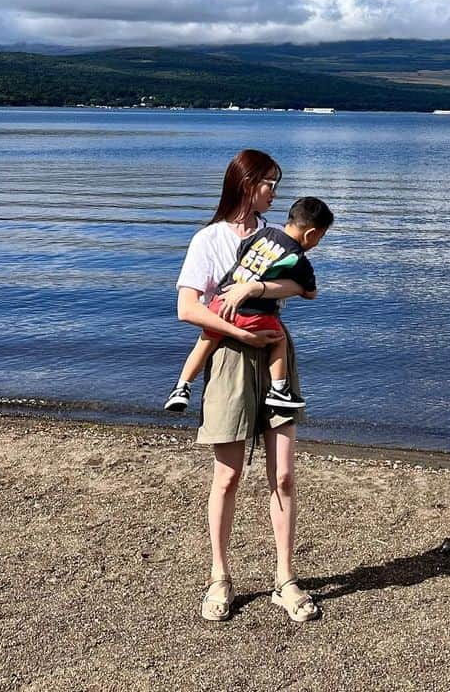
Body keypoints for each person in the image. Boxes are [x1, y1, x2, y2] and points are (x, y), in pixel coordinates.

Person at [174, 149, 320, 623]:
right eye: (269, 184)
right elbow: (188, 309)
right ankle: (220, 576)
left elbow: (300, 287)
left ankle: (285, 579)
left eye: (277, 184)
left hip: (276, 352)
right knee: (228, 476)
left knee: (283, 476)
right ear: (245, 184)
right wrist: (239, 332)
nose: (275, 193)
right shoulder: (208, 240)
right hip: (231, 356)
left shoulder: (275, 237)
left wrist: (257, 290)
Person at [164, 196, 333, 413]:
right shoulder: (296, 257)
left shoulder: (263, 233)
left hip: (221, 301)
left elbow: (242, 249)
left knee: (205, 342)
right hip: (254, 315)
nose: (318, 243)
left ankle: (182, 387)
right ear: (311, 233)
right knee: (278, 340)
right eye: (321, 237)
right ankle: (279, 389)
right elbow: (310, 292)